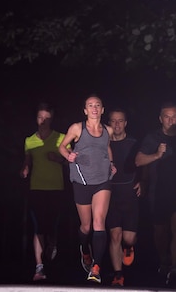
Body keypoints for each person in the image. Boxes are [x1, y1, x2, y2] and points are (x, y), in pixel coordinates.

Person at [58, 95, 116, 284]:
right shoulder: (77, 128)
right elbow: (62, 146)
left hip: (102, 180)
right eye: (90, 106)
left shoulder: (108, 130)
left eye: (97, 105)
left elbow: (106, 148)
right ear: (85, 110)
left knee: (100, 221)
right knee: (86, 226)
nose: (94, 108)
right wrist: (69, 156)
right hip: (81, 180)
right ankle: (84, 248)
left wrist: (112, 163)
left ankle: (96, 268)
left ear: (102, 109)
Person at [135, 102, 176, 286]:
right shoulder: (153, 138)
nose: (170, 120)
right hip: (157, 190)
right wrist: (156, 156)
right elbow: (138, 161)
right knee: (160, 230)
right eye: (167, 116)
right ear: (160, 119)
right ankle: (164, 260)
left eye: (174, 116)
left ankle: (174, 267)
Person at [20, 102, 67, 281]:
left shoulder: (61, 138)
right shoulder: (29, 140)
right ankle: (39, 267)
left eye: (46, 118)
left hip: (56, 188)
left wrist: (58, 159)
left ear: (52, 118)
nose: (43, 121)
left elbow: (70, 161)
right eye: (40, 117)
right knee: (38, 227)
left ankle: (53, 242)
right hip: (36, 188)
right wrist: (24, 168)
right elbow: (27, 161)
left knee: (52, 225)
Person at [106, 108, 141, 287]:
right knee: (115, 236)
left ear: (126, 123)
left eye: (120, 121)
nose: (117, 124)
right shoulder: (104, 144)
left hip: (129, 195)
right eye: (113, 121)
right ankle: (118, 275)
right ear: (109, 124)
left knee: (128, 239)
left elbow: (143, 165)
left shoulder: (134, 143)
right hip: (110, 195)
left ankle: (128, 247)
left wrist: (142, 181)